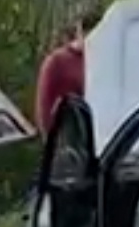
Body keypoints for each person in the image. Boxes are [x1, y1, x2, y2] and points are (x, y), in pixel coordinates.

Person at [35, 8, 101, 137]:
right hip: (67, 136)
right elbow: (43, 107)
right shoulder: (57, 62)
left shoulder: (103, 60)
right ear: (80, 33)